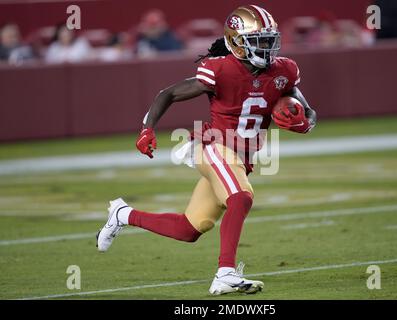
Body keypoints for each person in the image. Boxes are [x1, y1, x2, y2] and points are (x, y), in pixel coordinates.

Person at [96, 5, 317, 295]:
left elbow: (309, 111)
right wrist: (147, 128)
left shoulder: (284, 71)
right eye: (259, 41)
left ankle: (123, 215)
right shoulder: (221, 68)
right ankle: (225, 273)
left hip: (241, 158)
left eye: (269, 40)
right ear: (237, 42)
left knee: (190, 228)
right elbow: (169, 93)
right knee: (240, 197)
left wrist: (303, 123)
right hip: (213, 146)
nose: (267, 48)